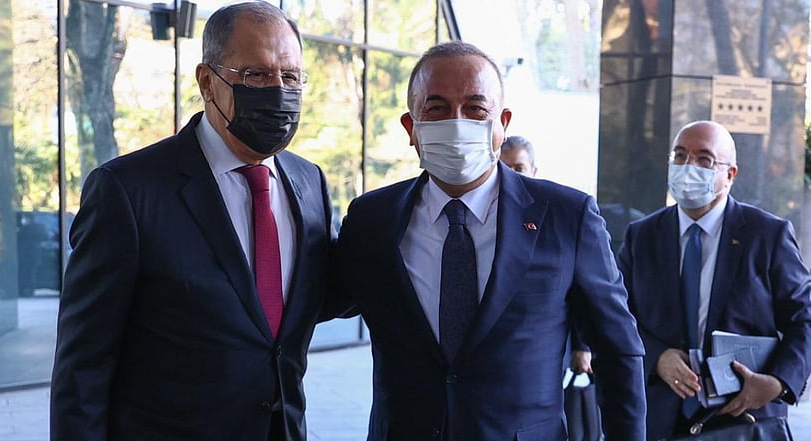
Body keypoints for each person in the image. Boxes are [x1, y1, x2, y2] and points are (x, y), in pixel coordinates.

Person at [50, 3, 335, 440]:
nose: (278, 91)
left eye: (290, 76)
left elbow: (323, 293)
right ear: (207, 81)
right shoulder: (127, 191)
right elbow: (83, 365)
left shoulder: (309, 181)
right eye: (256, 75)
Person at [336, 41, 646, 441]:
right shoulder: (370, 221)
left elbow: (618, 349)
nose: (457, 122)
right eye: (437, 109)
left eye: (475, 109)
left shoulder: (567, 216)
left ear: (502, 123)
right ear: (411, 128)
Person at [618, 120, 811, 440]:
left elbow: (803, 318)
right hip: (661, 415)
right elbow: (618, 315)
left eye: (704, 159)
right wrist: (656, 357)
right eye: (679, 156)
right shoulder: (643, 235)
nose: (687, 166)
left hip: (744, 416)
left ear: (730, 174)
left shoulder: (766, 235)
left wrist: (777, 383)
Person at [499, 136, 594, 375]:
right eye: (504, 167)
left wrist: (582, 346)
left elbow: (581, 290)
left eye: (519, 168)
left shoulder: (558, 218)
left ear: (534, 170)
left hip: (547, 361)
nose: (512, 175)